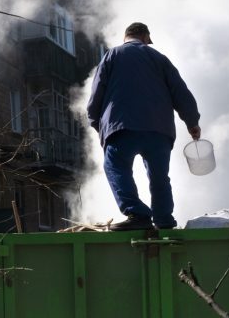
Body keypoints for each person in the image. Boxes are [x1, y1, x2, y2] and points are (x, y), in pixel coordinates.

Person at [86, 21, 201, 231]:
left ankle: (137, 214)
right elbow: (181, 93)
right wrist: (192, 123)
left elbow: (97, 94)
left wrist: (97, 123)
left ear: (126, 37)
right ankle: (164, 220)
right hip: (159, 131)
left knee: (116, 166)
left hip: (122, 127)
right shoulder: (160, 59)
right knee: (159, 176)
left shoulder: (112, 55)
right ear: (145, 37)